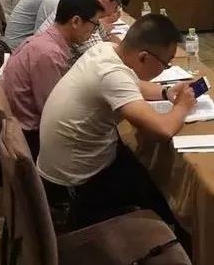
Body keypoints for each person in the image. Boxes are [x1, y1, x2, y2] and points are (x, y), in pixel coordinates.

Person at [37, 14, 196, 229]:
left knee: (145, 168)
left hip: (65, 165)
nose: (165, 69)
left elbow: (133, 84)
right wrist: (182, 107)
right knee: (162, 194)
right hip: (77, 183)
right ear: (143, 57)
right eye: (165, 64)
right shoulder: (112, 74)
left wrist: (166, 92)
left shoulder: (106, 50)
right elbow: (163, 129)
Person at [2, 0, 104, 159]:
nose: (94, 31)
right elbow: (53, 112)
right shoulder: (49, 54)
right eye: (95, 25)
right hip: (31, 136)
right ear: (76, 21)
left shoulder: (46, 41)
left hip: (24, 124)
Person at [38, 0, 132, 62]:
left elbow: (108, 38)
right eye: (117, 5)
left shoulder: (89, 8)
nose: (116, 10)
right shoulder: (82, 11)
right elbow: (102, 58)